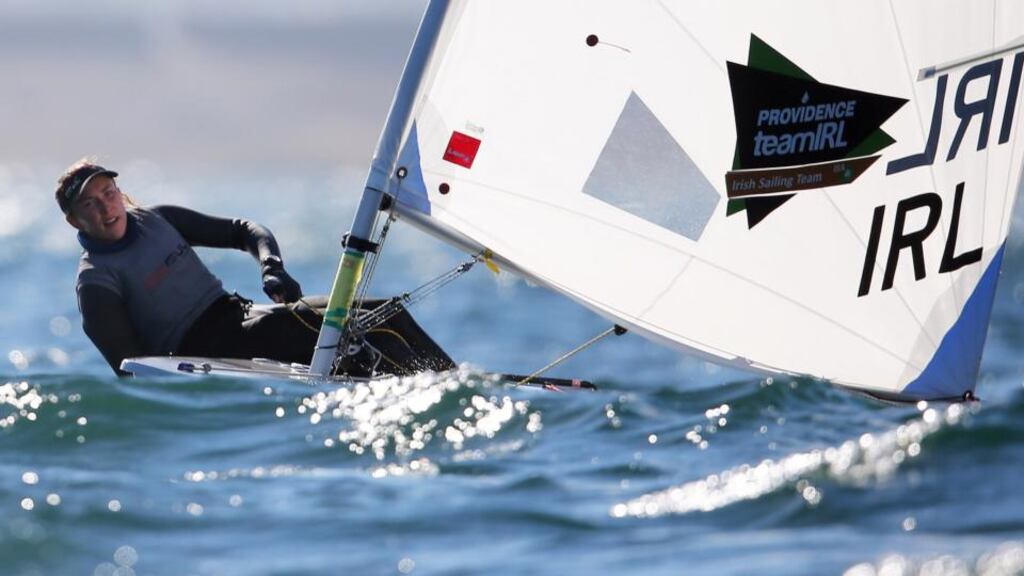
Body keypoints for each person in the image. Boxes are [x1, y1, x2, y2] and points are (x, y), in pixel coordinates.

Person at [58, 158, 455, 377]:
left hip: (243, 315)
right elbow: (131, 370)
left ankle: (453, 383)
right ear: (75, 221)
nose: (106, 207)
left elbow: (243, 230)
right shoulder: (96, 282)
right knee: (363, 334)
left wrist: (271, 267)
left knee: (386, 313)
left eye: (108, 193)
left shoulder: (157, 220)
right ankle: (438, 392)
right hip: (209, 348)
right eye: (90, 203)